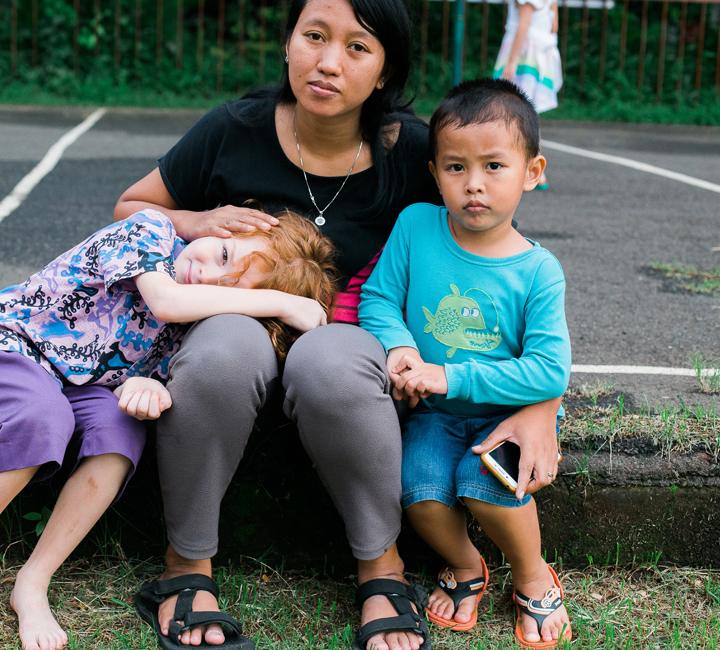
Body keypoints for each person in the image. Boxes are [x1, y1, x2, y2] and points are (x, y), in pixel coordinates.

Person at [114, 1, 565, 649]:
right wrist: (195, 220)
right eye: (314, 37)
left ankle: (381, 570)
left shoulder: (414, 151)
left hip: (348, 351)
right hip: (236, 334)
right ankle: (187, 569)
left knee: (329, 354)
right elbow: (132, 208)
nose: (328, 62)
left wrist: (542, 405)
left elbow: (505, 258)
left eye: (358, 47)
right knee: (227, 345)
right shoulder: (233, 129)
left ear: (384, 71)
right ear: (289, 41)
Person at [0, 208, 337, 650]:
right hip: (1, 349)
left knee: (120, 434)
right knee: (43, 417)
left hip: (74, 387)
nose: (204, 276)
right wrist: (280, 302)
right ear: (227, 231)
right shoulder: (151, 233)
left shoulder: (198, 319)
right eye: (223, 254)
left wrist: (146, 385)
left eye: (226, 286)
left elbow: (141, 369)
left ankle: (33, 581)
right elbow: (163, 301)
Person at [359, 78, 573, 649]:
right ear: (434, 172)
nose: (473, 184)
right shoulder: (416, 227)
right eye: (455, 167)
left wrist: (450, 374)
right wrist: (401, 348)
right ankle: (467, 566)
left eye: (494, 166)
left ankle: (531, 574)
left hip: (506, 418)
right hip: (434, 413)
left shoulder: (537, 270)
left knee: (484, 486)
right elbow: (378, 299)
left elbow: (549, 371)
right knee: (421, 493)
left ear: (532, 171)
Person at [493, 0, 562, 189]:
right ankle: (533, 170)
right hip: (541, 53)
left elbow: (523, 26)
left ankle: (528, 168)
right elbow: (554, 25)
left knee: (510, 107)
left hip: (524, 54)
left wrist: (512, 62)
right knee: (527, 111)